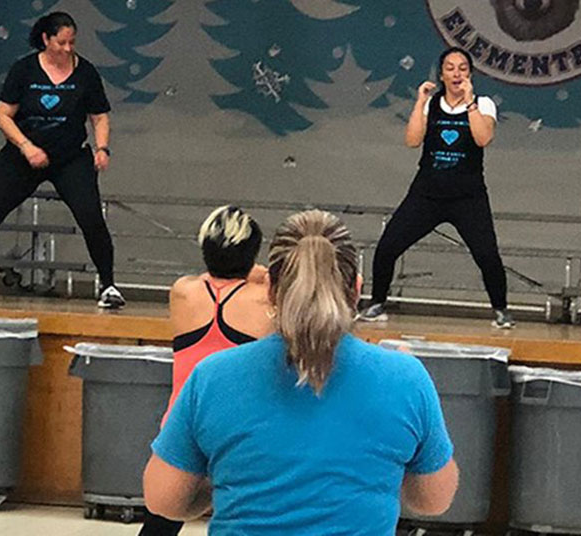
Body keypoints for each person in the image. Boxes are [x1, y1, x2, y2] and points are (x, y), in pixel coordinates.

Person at [143, 209, 459, 534]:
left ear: (269, 288)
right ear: (356, 290)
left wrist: (225, 483)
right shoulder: (405, 378)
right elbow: (433, 500)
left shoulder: (211, 377)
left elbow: (163, 500)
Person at [0, 11, 123, 308]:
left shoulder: (86, 73)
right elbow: (3, 115)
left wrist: (102, 148)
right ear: (46, 39)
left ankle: (108, 286)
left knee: (91, 217)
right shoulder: (25, 70)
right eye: (61, 42)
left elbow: (99, 116)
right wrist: (26, 146)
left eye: (72, 42)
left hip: (70, 157)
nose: (68, 49)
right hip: (22, 155)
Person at [358, 46, 515, 329]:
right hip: (427, 194)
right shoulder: (432, 104)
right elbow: (412, 141)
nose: (457, 73)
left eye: (463, 68)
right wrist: (419, 102)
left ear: (470, 73)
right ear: (441, 74)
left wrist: (470, 103)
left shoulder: (484, 103)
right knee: (387, 247)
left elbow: (482, 139)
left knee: (487, 255)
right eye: (450, 68)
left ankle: (501, 310)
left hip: (468, 196)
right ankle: (378, 302)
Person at [140, 206, 273, 536]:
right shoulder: (265, 299)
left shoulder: (183, 291)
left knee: (162, 521)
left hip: (182, 423)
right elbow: (273, 277)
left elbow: (211, 276)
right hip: (238, 428)